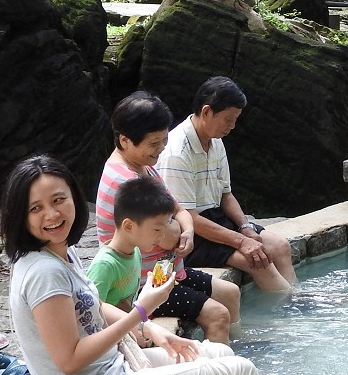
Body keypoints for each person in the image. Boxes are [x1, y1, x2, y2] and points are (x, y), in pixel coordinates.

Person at [2, 155, 263, 375]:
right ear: (20, 215)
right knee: (241, 374)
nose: (52, 214)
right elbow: (69, 360)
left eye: (58, 200)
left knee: (217, 355)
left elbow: (91, 305)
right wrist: (141, 311)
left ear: (73, 197)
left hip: (108, 373)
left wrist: (150, 328)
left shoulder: (61, 252)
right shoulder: (44, 272)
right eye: (35, 208)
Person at [96, 91, 240, 343]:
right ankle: (222, 373)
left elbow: (180, 210)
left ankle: (239, 350)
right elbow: (165, 237)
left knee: (230, 292)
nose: (161, 149)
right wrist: (179, 232)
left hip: (168, 271)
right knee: (218, 315)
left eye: (163, 141)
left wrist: (186, 232)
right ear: (125, 140)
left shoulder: (144, 168)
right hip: (142, 284)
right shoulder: (126, 183)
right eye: (154, 143)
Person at [159, 76, 296, 291]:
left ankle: (295, 295)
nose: (232, 126)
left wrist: (245, 228)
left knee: (279, 246)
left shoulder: (216, 142)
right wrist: (241, 242)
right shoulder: (176, 152)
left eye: (235, 120)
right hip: (191, 233)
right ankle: (291, 307)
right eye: (228, 119)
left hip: (215, 219)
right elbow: (188, 217)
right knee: (258, 262)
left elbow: (226, 194)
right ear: (206, 112)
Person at [89, 176, 178, 311]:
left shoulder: (135, 251)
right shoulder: (105, 266)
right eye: (157, 229)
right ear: (129, 226)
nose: (162, 235)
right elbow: (91, 314)